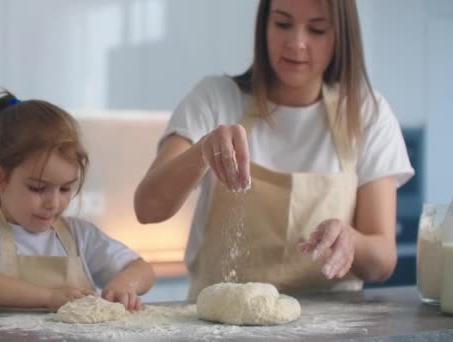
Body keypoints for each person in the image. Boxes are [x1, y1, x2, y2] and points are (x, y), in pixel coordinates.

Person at [134, 0, 414, 300]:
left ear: (341, 37)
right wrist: (203, 150)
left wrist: (351, 241)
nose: (296, 42)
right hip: (218, 320)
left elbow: (382, 262)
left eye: (317, 30)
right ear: (264, 25)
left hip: (332, 327)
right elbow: (148, 209)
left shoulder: (367, 114)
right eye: (282, 24)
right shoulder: (216, 99)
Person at [0, 91, 155, 311]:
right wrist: (47, 297)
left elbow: (142, 269)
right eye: (38, 188)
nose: (54, 203)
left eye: (66, 188)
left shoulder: (80, 236)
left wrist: (123, 285)